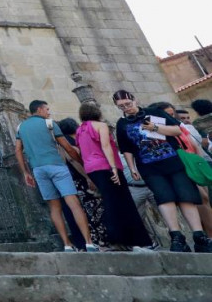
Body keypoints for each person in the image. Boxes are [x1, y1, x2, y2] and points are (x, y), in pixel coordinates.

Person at [112, 90, 211, 252]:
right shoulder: (122, 124)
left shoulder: (154, 113)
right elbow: (126, 148)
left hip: (172, 160)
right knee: (164, 198)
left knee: (186, 196)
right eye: (121, 106)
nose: (126, 108)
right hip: (149, 166)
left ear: (135, 100)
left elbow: (177, 130)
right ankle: (177, 237)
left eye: (128, 104)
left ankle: (199, 235)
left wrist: (155, 127)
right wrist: (131, 167)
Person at [15, 101, 98, 252]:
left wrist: (26, 172)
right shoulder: (49, 123)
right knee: (73, 203)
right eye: (47, 109)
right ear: (39, 109)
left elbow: (18, 150)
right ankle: (89, 242)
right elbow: (67, 148)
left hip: (38, 170)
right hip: (57, 166)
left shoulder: (21, 127)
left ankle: (67, 244)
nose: (49, 112)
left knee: (54, 208)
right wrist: (83, 164)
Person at [72, 105, 154, 250]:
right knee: (122, 202)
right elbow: (106, 146)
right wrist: (114, 168)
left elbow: (81, 151)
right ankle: (131, 240)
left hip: (91, 168)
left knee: (109, 201)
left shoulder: (80, 130)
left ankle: (116, 239)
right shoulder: (101, 126)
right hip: (106, 166)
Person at [56, 117, 108, 250]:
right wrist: (89, 177)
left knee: (75, 212)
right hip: (81, 180)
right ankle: (99, 241)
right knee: (94, 210)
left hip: (66, 182)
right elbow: (77, 161)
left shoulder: (58, 145)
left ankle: (83, 244)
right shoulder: (73, 142)